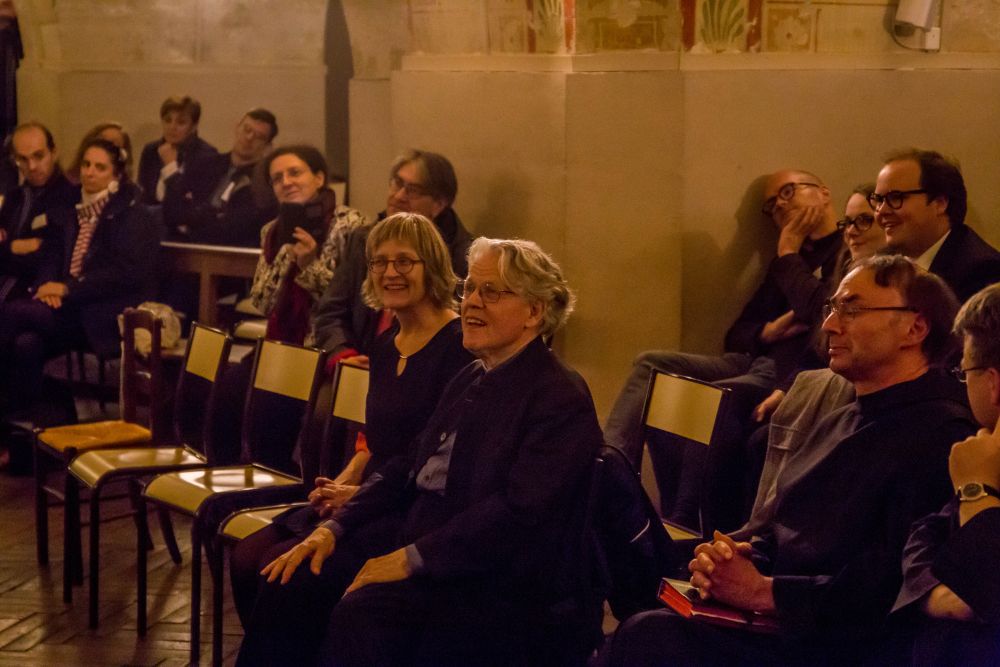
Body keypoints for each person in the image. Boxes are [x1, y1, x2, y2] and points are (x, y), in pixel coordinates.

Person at [235, 237, 603, 667]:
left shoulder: (558, 395)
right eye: (470, 288)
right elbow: (408, 466)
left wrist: (412, 559)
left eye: (491, 292)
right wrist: (334, 527)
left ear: (535, 312)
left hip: (495, 577)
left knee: (361, 612)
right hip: (427, 536)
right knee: (290, 575)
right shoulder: (473, 374)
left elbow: (517, 516)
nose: (472, 302)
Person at [603, 255, 977, 666]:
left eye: (852, 310)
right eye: (832, 308)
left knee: (650, 638)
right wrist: (741, 558)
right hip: (786, 621)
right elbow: (790, 529)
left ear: (915, 328)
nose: (830, 324)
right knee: (639, 606)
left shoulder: (942, 434)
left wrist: (765, 591)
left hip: (840, 645)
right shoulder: (840, 418)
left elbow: (897, 583)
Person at [229, 211, 473, 628]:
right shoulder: (386, 344)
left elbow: (430, 458)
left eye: (404, 261)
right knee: (246, 557)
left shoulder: (460, 346)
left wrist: (357, 496)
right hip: (370, 493)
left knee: (284, 574)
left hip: (408, 508)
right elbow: (376, 440)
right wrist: (341, 483)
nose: (389, 273)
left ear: (431, 266)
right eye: (379, 262)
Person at [605, 169, 843, 529]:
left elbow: (821, 311)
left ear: (823, 193)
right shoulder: (791, 260)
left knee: (707, 397)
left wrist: (787, 252)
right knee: (652, 365)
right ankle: (610, 467)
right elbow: (737, 335)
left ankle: (685, 519)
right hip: (753, 360)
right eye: (771, 204)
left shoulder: (840, 251)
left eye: (788, 192)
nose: (779, 206)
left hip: (788, 372)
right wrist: (769, 330)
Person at [208, 145, 367, 471]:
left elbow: (349, 301)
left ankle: (276, 479)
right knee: (226, 389)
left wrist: (309, 265)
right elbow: (262, 301)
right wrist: (285, 260)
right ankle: (228, 475)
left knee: (271, 404)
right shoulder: (272, 230)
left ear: (319, 178)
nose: (286, 182)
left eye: (295, 172)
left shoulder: (351, 226)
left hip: (324, 344)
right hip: (281, 341)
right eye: (277, 178)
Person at [0, 137, 158, 424]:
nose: (90, 172)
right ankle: (31, 424)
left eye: (100, 167)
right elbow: (51, 254)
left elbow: (123, 273)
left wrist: (67, 288)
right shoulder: (70, 206)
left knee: (10, 313)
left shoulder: (132, 214)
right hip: (63, 305)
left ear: (116, 175)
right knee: (26, 344)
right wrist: (47, 286)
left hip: (99, 311)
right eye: (86, 164)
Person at [894, 283, 1000, 665]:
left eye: (964, 371)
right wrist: (937, 594)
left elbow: (988, 593)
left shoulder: (976, 457)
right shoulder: (986, 446)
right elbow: (923, 535)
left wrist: (977, 490)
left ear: (993, 383)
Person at [310, 149, 474, 361]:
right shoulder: (363, 240)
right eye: (397, 183)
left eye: (412, 190)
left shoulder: (463, 257)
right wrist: (342, 355)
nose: (398, 196)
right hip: (357, 363)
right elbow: (330, 312)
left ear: (439, 204)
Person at [872, 148, 1000, 303]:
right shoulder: (882, 264)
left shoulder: (981, 272)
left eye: (896, 197)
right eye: (878, 200)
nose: (882, 211)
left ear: (940, 203)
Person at [162, 108, 278, 247]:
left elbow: (234, 230)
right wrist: (211, 215)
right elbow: (171, 212)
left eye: (259, 136)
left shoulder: (263, 182)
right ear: (237, 128)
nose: (249, 138)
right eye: (247, 129)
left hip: (230, 253)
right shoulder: (205, 164)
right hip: (185, 247)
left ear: (267, 147)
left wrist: (194, 215)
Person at [0, 122, 76, 303]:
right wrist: (14, 247)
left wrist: (6, 249)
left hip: (34, 292)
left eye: (38, 156)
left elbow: (46, 258)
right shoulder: (15, 197)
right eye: (23, 159)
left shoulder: (70, 197)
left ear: (53, 152)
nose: (32, 166)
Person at [136, 95, 218, 205]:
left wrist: (170, 167)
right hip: (149, 214)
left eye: (181, 122)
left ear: (193, 126)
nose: (172, 127)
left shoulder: (207, 156)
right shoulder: (151, 150)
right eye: (168, 120)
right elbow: (142, 196)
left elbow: (191, 203)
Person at [66, 121, 134, 184]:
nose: (104, 146)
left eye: (113, 143)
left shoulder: (128, 190)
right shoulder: (68, 183)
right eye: (102, 140)